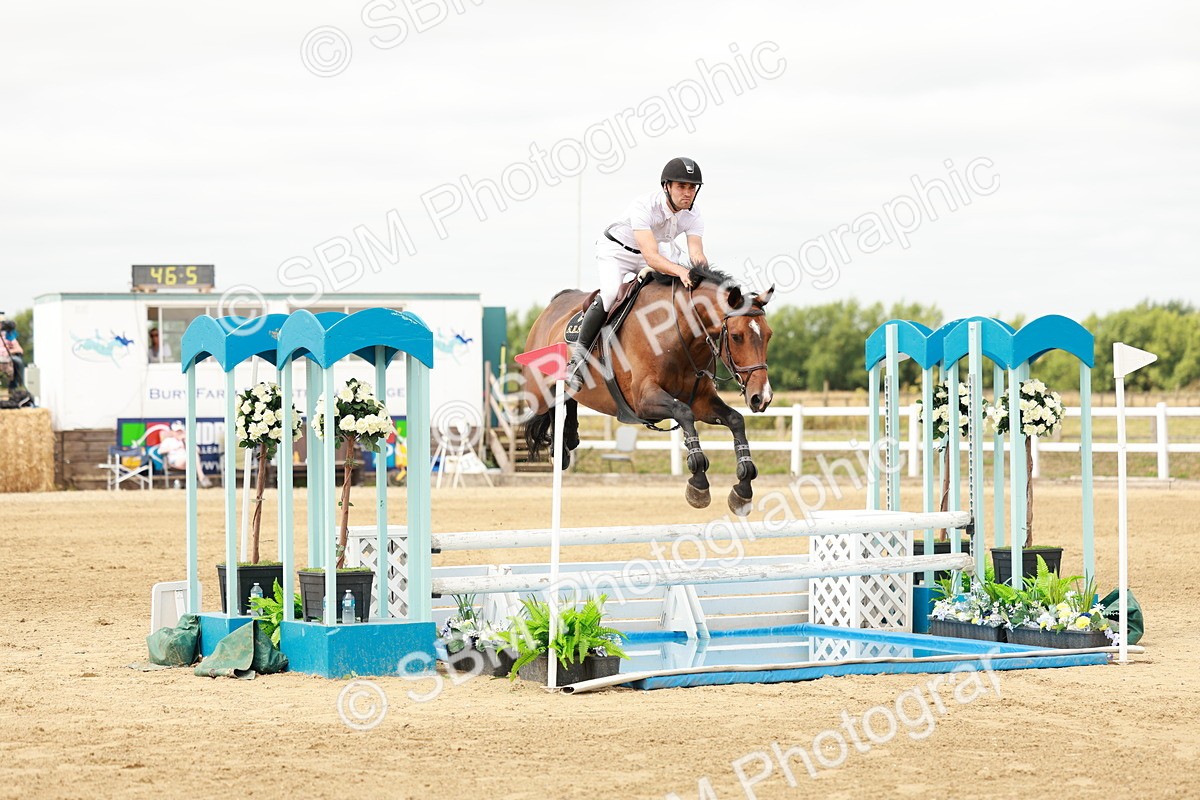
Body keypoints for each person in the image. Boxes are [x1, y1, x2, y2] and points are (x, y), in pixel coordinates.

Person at [565, 157, 709, 391]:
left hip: (652, 251)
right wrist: (682, 271)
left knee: (675, 290)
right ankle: (577, 359)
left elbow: (696, 253)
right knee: (611, 293)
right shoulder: (643, 206)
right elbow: (651, 258)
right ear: (667, 187)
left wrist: (705, 277)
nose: (687, 193)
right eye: (681, 186)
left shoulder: (693, 215)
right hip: (617, 250)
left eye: (692, 187)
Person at [1, 319, 25, 390]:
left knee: (18, 361)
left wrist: (9, 351)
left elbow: (20, 350)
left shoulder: (9, 336)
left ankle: (15, 387)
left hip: (7, 359)